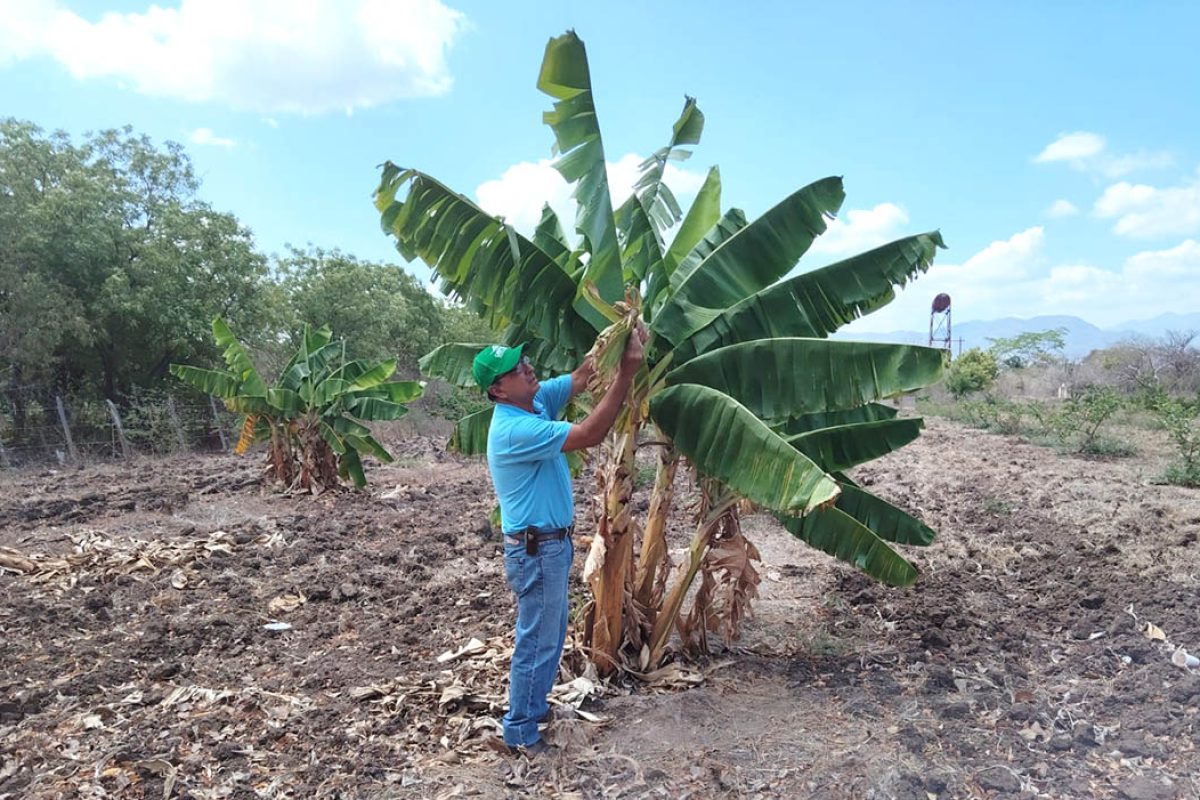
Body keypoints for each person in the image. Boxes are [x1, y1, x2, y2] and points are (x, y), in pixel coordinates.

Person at [472, 328, 645, 754]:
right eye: (516, 369)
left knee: (548, 636)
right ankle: (519, 730)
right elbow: (589, 434)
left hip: (549, 546)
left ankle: (532, 710)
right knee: (537, 639)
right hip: (536, 551)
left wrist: (619, 337)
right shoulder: (514, 429)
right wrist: (626, 374)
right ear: (498, 390)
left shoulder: (535, 402)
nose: (527, 368)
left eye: (524, 361)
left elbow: (584, 376)